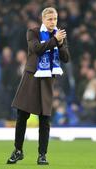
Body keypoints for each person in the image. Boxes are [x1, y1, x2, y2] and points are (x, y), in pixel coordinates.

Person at [6, 7, 70, 165]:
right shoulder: (32, 32)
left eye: (54, 19)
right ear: (43, 20)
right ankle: (18, 150)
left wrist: (61, 44)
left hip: (47, 80)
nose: (52, 22)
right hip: (31, 78)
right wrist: (56, 40)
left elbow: (66, 58)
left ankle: (42, 155)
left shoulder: (60, 36)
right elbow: (37, 49)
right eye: (49, 19)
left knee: (45, 119)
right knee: (22, 116)